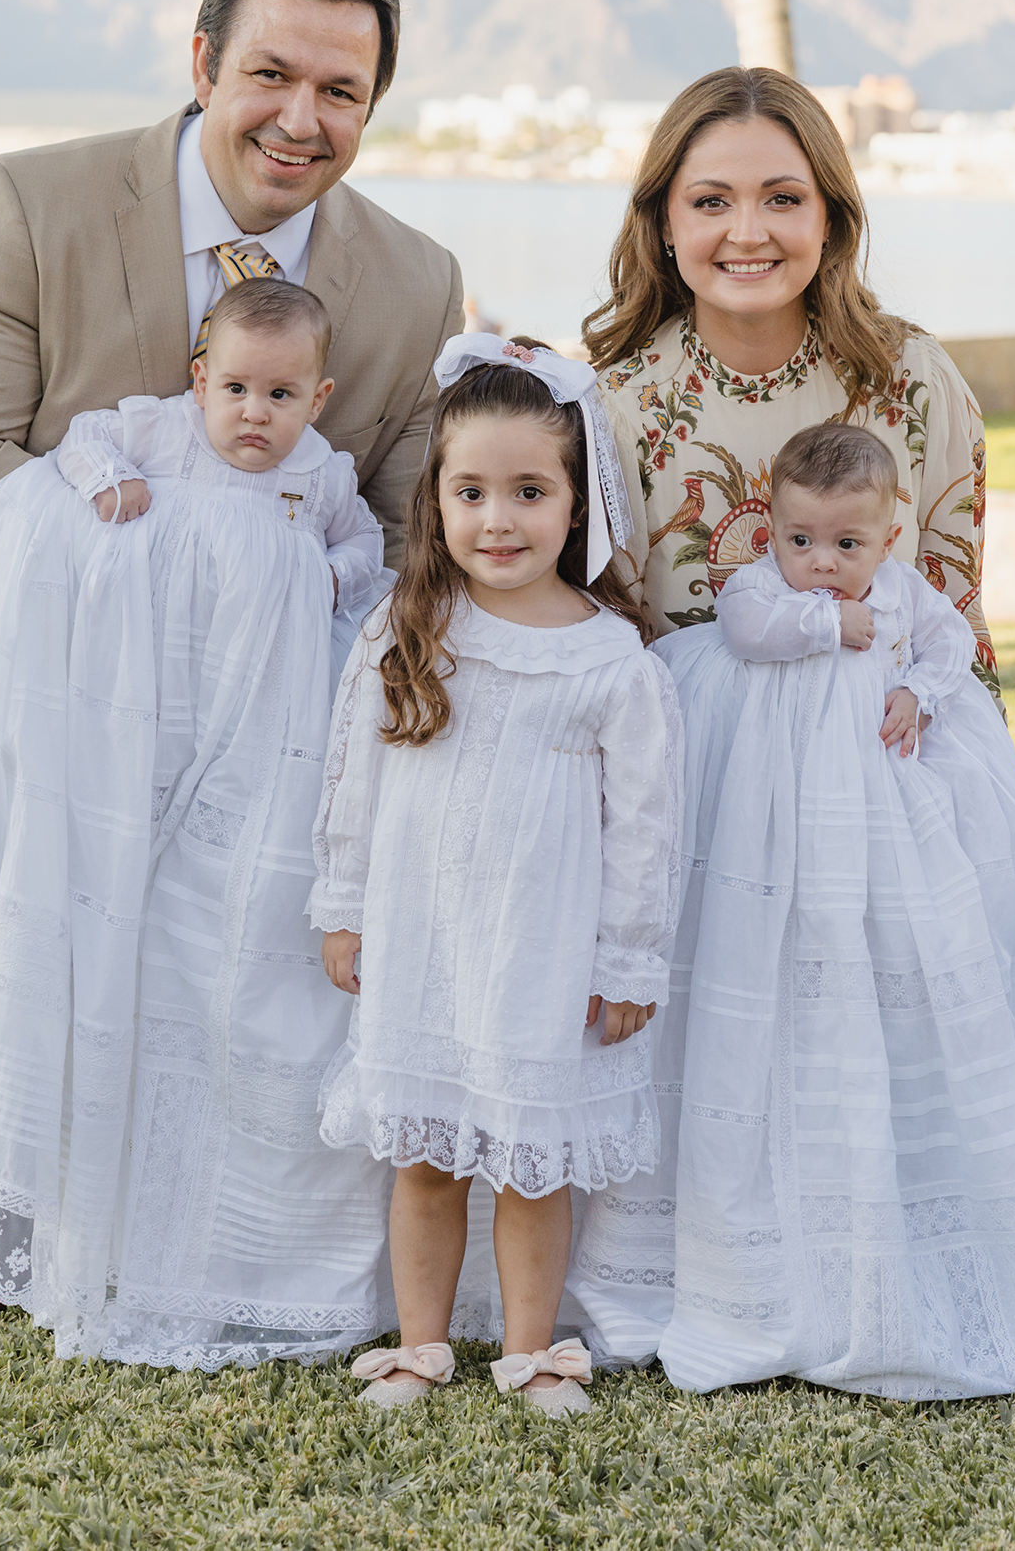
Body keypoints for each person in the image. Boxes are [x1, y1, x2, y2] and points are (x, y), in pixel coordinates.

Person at [0, 0, 462, 1336]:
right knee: (30, 958)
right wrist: (167, 586)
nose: (301, 119)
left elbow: (398, 533)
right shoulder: (25, 203)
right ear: (202, 63)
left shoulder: (416, 282)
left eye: (342, 92)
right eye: (271, 75)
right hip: (29, 694)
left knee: (233, 981)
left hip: (264, 727)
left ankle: (208, 1234)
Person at [0, 280, 401, 1369]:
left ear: (317, 398)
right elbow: (77, 446)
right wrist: (109, 485)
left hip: (249, 737)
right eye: (237, 389)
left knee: (212, 961)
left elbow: (365, 545)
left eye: (281, 396)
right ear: (199, 380)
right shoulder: (157, 432)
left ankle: (200, 1240)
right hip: (122, 715)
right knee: (73, 942)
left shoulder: (321, 476)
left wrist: (326, 575)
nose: (255, 414)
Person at [570, 64, 999, 1359]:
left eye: (780, 197)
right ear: (661, 221)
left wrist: (949, 803)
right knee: (720, 1036)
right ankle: (714, 1273)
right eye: (709, 200)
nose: (745, 230)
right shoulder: (609, 397)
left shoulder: (915, 381)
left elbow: (954, 605)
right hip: (694, 775)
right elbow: (595, 621)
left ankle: (871, 1275)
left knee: (867, 1033)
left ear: (832, 215)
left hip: (879, 772)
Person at [652, 422, 1015, 1396]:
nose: (822, 563)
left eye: (846, 545)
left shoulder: (903, 593)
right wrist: (828, 629)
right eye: (801, 540)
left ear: (889, 538)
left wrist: (920, 696)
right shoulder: (761, 588)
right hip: (776, 807)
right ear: (772, 528)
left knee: (898, 960)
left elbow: (948, 645)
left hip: (875, 807)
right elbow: (748, 632)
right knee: (773, 964)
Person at [309, 337, 683, 1417]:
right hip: (423, 937)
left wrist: (628, 960)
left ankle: (531, 1353)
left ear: (579, 503)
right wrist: (343, 908)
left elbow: (646, 828)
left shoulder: (609, 658)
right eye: (470, 492)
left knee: (532, 1162)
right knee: (425, 1161)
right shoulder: (407, 628)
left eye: (530, 491)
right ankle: (419, 1347)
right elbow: (352, 778)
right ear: (436, 500)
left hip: (541, 953)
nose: (499, 520)